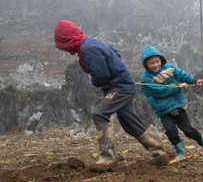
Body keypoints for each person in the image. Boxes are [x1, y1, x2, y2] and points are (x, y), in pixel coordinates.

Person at [54, 20, 166, 165]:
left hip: (120, 88)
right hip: (123, 85)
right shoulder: (91, 43)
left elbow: (101, 75)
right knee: (130, 122)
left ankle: (107, 158)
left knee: (99, 113)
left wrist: (97, 82)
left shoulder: (88, 49)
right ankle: (159, 153)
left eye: (64, 46)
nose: (66, 50)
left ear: (68, 41)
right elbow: (115, 52)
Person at [140, 45, 203, 159]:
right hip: (163, 110)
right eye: (151, 63)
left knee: (188, 130)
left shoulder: (168, 67)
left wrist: (194, 80)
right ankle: (181, 152)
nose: (155, 65)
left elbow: (182, 75)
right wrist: (177, 86)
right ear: (146, 65)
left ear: (161, 60)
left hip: (176, 105)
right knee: (171, 132)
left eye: (157, 61)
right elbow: (159, 92)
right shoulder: (145, 78)